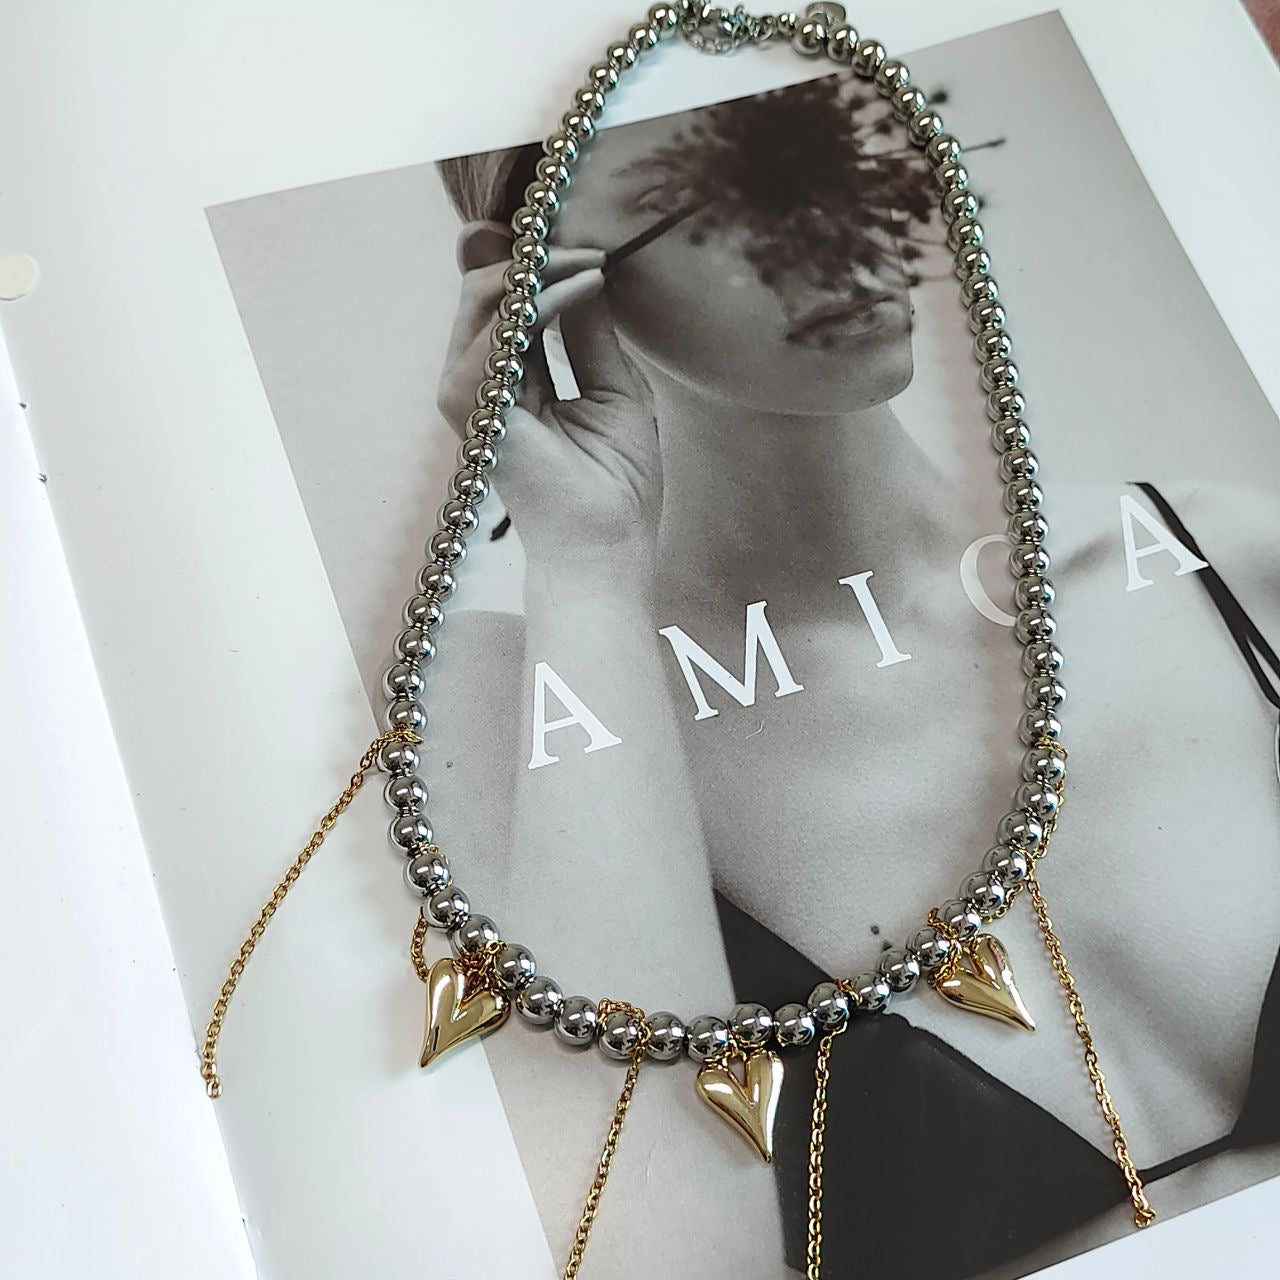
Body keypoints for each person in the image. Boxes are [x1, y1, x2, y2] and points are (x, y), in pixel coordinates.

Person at [424, 73, 1280, 1278]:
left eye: (833, 145)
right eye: (709, 189)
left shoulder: (1231, 561)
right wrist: (585, 559)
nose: (822, 229)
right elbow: (644, 1252)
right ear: (529, 267)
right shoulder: (508, 721)